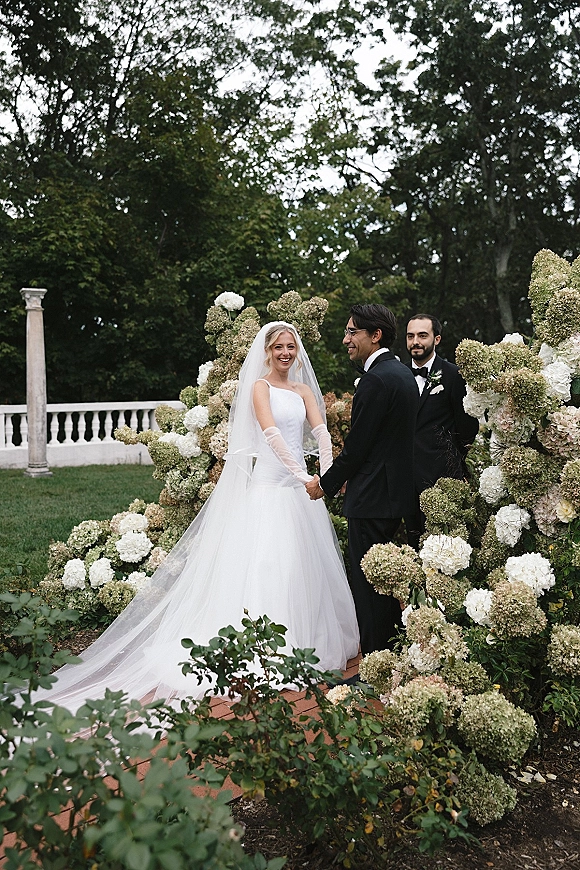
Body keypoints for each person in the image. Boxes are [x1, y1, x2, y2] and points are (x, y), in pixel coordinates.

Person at [34, 322, 359, 712]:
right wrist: (305, 476)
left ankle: (306, 642)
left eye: (291, 347)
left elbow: (321, 433)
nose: (286, 353)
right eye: (279, 348)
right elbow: (271, 437)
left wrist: (323, 476)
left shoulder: (305, 390)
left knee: (303, 568)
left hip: (304, 492)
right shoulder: (260, 388)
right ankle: (265, 649)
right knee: (269, 565)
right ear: (268, 352)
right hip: (273, 486)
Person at [305, 304, 418, 658]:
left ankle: (374, 662)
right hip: (393, 491)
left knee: (369, 583)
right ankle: (394, 653)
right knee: (386, 580)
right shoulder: (402, 374)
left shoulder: (376, 380)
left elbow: (358, 447)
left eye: (353, 332)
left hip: (372, 497)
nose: (346, 339)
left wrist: (325, 483)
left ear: (375, 334)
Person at [404, 314, 479, 550]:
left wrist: (456, 466)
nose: (416, 341)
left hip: (443, 478)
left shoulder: (453, 375)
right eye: (411, 336)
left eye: (422, 335)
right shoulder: (398, 376)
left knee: (447, 546)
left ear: (436, 339)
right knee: (414, 545)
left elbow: (467, 427)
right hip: (405, 480)